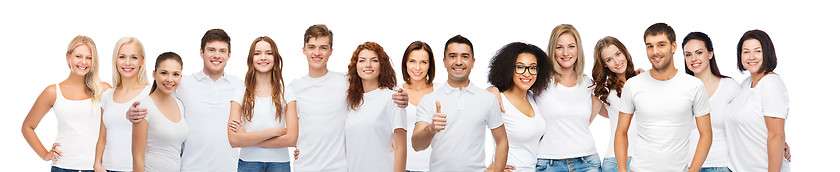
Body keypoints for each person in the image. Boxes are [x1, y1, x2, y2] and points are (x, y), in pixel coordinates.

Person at [285, 24, 408, 172]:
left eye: (323, 47)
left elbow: (373, 88)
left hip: (339, 168)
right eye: (312, 47)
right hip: (305, 167)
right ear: (304, 50)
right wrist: (298, 146)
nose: (317, 52)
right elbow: (287, 128)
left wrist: (403, 94)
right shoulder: (293, 88)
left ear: (331, 51)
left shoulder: (345, 82)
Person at [127, 29, 244, 172]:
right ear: (201, 52)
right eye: (211, 50)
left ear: (229, 55)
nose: (216, 55)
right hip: (190, 168)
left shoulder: (239, 85)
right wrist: (129, 113)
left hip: (228, 168)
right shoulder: (184, 84)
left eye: (222, 51)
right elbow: (156, 96)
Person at [615, 23, 712, 172]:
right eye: (649, 46)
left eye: (661, 45)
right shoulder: (633, 85)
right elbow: (621, 131)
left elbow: (706, 134)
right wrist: (622, 170)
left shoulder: (694, 86)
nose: (655, 52)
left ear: (673, 47)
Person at [411, 35, 509, 172]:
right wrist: (431, 128)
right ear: (444, 62)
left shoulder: (487, 99)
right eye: (452, 56)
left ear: (473, 62)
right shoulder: (429, 100)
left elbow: (502, 141)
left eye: (464, 56)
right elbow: (416, 145)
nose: (458, 62)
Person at [22, 35, 111, 172]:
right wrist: (45, 155)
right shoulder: (53, 92)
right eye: (78, 56)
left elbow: (118, 124)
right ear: (68, 57)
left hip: (98, 167)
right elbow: (27, 127)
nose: (83, 62)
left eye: (89, 57)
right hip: (63, 166)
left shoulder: (104, 89)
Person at [535, 24, 602, 172]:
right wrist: (492, 89)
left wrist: (632, 78)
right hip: (548, 163)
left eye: (571, 46)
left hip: (587, 162)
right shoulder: (539, 81)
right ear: (553, 50)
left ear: (578, 49)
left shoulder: (588, 84)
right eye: (559, 47)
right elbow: (511, 93)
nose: (566, 52)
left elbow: (615, 110)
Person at [227, 36, 297, 172]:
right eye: (257, 53)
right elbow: (234, 140)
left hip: (280, 164)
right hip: (249, 164)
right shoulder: (239, 92)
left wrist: (247, 138)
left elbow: (292, 139)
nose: (263, 57)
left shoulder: (287, 92)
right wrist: (273, 132)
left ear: (275, 58)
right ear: (251, 59)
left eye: (269, 53)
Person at [725, 29, 791, 172]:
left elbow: (776, 134)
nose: (751, 56)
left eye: (757, 51)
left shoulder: (771, 84)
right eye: (746, 51)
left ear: (767, 53)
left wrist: (780, 141)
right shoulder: (745, 84)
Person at [487, 42, 552, 171]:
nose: (527, 74)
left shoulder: (533, 98)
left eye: (532, 68)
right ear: (508, 69)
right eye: (520, 67)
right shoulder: (498, 100)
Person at [344, 42, 407, 172]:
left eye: (374, 60)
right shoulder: (350, 101)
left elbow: (401, 149)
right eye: (362, 60)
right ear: (356, 66)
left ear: (381, 65)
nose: (368, 65)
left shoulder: (393, 98)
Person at [681, 32, 738, 172]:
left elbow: (751, 117)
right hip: (686, 166)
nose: (693, 59)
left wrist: (780, 139)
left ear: (711, 53)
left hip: (722, 165)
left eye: (699, 52)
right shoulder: (679, 89)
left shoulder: (729, 87)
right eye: (688, 55)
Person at [95, 37, 152, 172]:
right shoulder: (107, 95)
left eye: (133, 57)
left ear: (141, 61)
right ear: (115, 60)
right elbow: (102, 136)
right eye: (122, 57)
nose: (127, 63)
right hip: (106, 168)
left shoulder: (151, 93)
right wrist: (97, 164)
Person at [131, 52, 188, 172]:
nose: (170, 79)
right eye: (164, 73)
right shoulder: (144, 107)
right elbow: (137, 158)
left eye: (175, 74)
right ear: (154, 74)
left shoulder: (180, 105)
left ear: (181, 77)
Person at [590, 36, 638, 172]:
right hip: (614, 162)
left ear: (624, 52)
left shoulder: (643, 80)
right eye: (609, 59)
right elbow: (585, 121)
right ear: (605, 64)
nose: (617, 62)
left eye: (618, 54)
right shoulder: (603, 90)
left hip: (645, 161)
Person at [400, 41, 436, 172]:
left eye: (423, 62)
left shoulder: (442, 91)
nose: (417, 68)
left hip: (435, 166)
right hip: (404, 166)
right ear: (405, 63)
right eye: (412, 61)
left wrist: (493, 89)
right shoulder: (394, 92)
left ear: (430, 65)